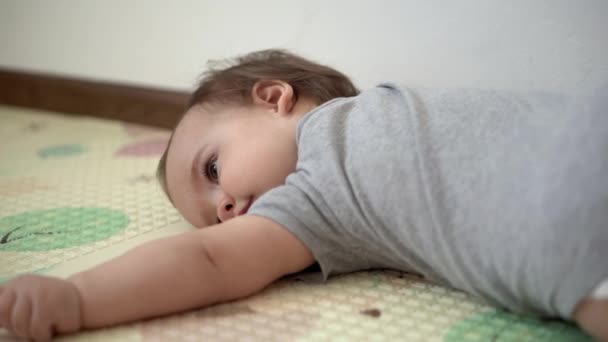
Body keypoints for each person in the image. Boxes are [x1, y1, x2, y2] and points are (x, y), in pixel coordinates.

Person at [0, 49, 606, 341]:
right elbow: (206, 263)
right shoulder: (311, 200)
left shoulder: (368, 113)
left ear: (274, 99)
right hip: (566, 229)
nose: (226, 213)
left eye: (211, 170)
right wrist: (78, 296)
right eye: (213, 219)